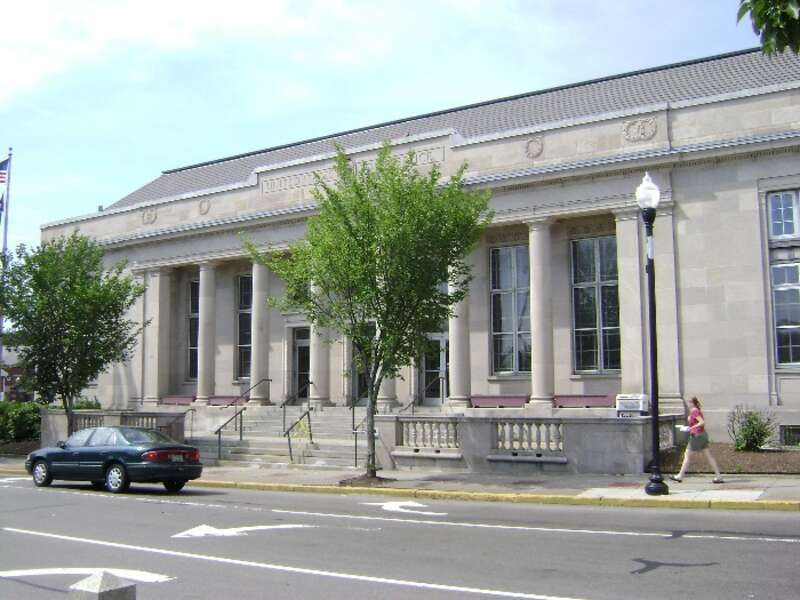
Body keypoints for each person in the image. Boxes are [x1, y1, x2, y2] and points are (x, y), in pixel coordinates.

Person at [669, 397, 723, 483]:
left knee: (687, 455)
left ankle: (680, 476)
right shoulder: (696, 410)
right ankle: (718, 476)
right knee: (708, 456)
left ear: (692, 403)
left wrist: (690, 428)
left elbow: (701, 422)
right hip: (702, 435)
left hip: (696, 436)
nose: (687, 404)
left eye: (688, 402)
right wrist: (688, 427)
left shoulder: (694, 411)